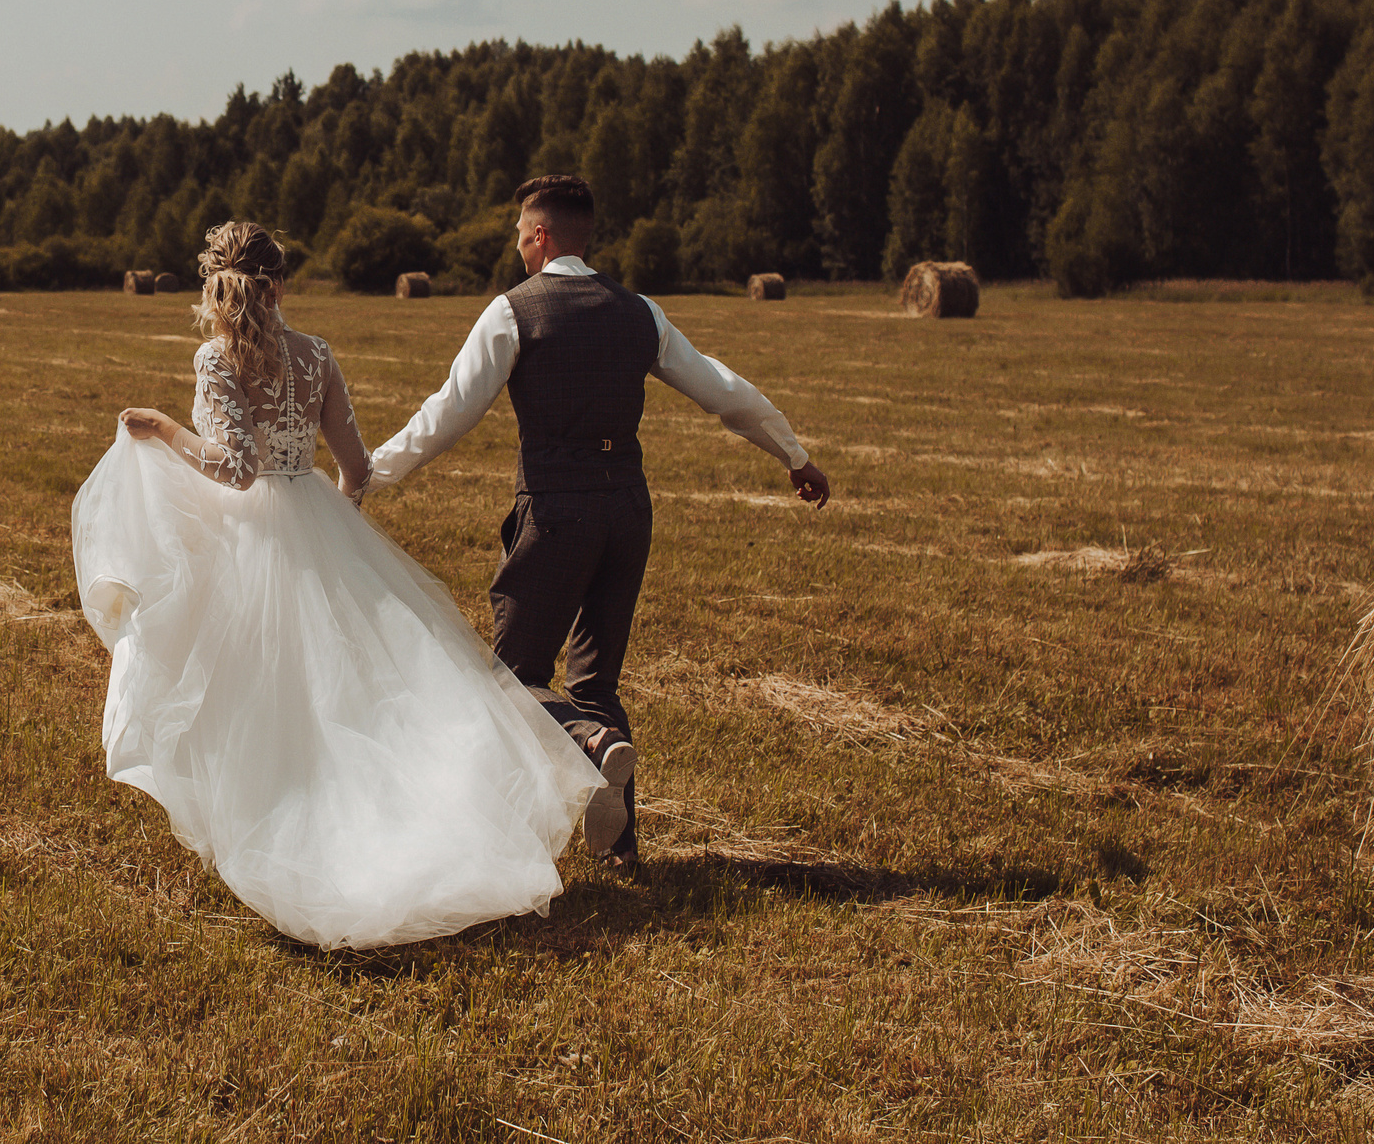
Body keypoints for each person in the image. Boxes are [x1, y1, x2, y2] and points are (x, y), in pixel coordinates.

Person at [69, 221, 608, 949]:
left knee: (257, 693)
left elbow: (235, 469)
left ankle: (283, 832)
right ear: (281, 283)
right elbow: (355, 463)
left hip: (251, 536)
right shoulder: (316, 355)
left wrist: (163, 426)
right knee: (355, 691)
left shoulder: (215, 356)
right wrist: (337, 517)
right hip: (315, 515)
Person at [366, 175, 829, 875]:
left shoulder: (514, 311)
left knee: (514, 680)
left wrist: (372, 472)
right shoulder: (639, 311)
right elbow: (723, 390)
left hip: (556, 510)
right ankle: (617, 845)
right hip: (628, 510)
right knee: (595, 679)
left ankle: (574, 756)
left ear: (543, 234)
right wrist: (792, 452)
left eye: (522, 232)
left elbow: (448, 412)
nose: (517, 244)